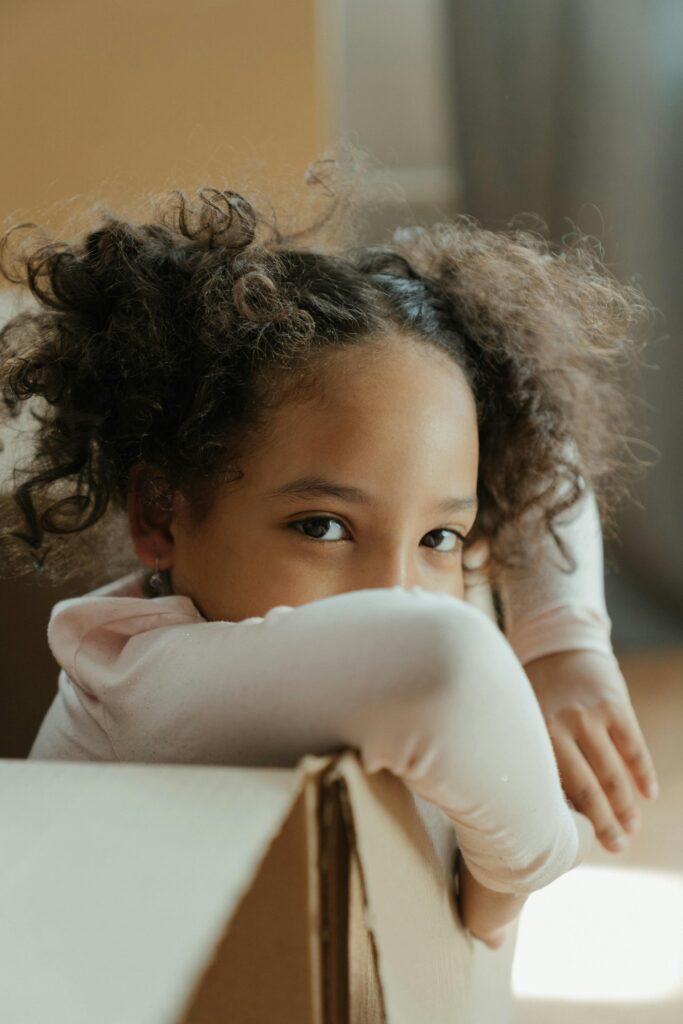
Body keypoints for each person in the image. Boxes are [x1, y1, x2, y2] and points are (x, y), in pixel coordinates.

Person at [0, 155, 659, 950]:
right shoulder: (143, 683)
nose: (397, 590)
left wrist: (563, 642)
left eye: (437, 540)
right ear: (160, 515)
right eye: (322, 527)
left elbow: (540, 447)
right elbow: (438, 661)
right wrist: (518, 874)